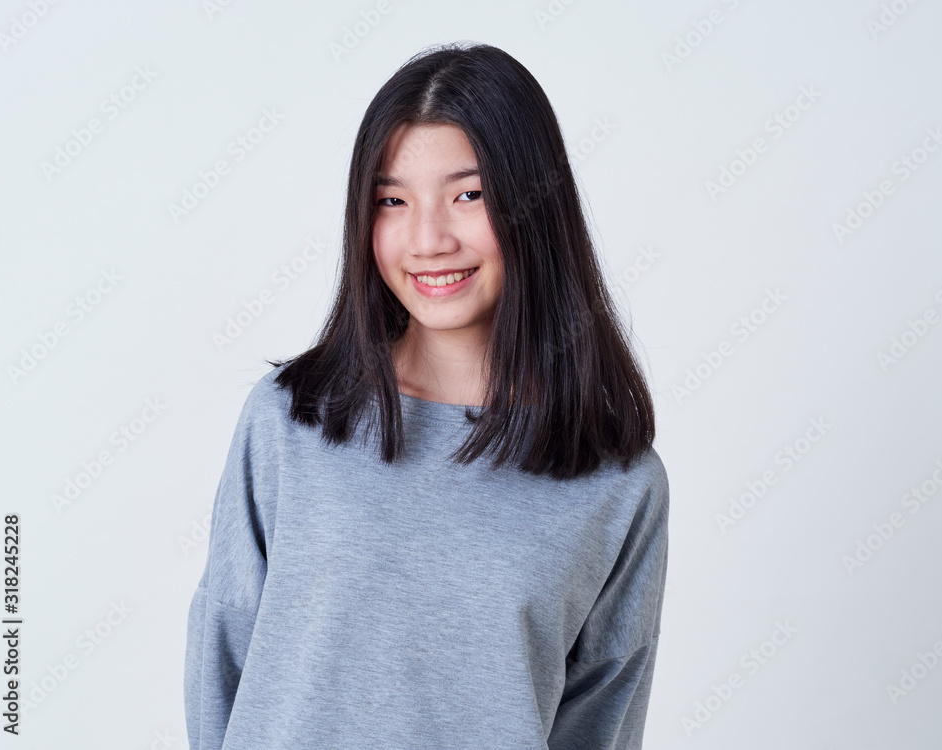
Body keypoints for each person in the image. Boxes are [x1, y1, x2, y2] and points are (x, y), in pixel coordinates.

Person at [184, 41, 669, 749]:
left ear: (535, 206)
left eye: (468, 195)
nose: (428, 239)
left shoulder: (617, 484)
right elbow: (220, 656)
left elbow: (602, 722)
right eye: (392, 200)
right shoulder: (290, 423)